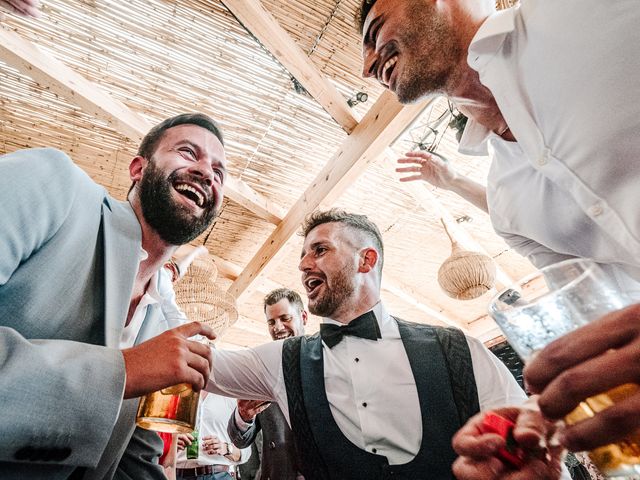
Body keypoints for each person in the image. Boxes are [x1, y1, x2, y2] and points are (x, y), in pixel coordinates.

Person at [357, 0, 640, 462]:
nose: (367, 66)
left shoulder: (591, 12)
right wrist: (542, 419)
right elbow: (601, 319)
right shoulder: (507, 201)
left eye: (375, 30)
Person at [206, 209, 530, 479]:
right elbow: (197, 363)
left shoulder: (459, 349)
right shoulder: (280, 361)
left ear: (366, 260)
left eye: (319, 250)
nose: (303, 264)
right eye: (303, 255)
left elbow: (531, 449)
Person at [0, 112, 226, 479]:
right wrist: (125, 370)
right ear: (138, 168)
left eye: (219, 173)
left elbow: (133, 462)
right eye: (188, 152)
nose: (206, 173)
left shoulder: (162, 329)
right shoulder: (53, 182)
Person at [227, 288, 307, 480]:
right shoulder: (261, 368)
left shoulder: (325, 360)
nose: (278, 327)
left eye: (285, 318)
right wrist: (244, 415)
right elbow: (240, 439)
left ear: (303, 317)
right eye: (271, 322)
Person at [175, 392, 251, 480]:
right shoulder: (175, 392)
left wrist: (225, 448)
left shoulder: (232, 397)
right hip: (176, 474)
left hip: (217, 475)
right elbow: (159, 441)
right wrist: (170, 443)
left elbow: (246, 451)